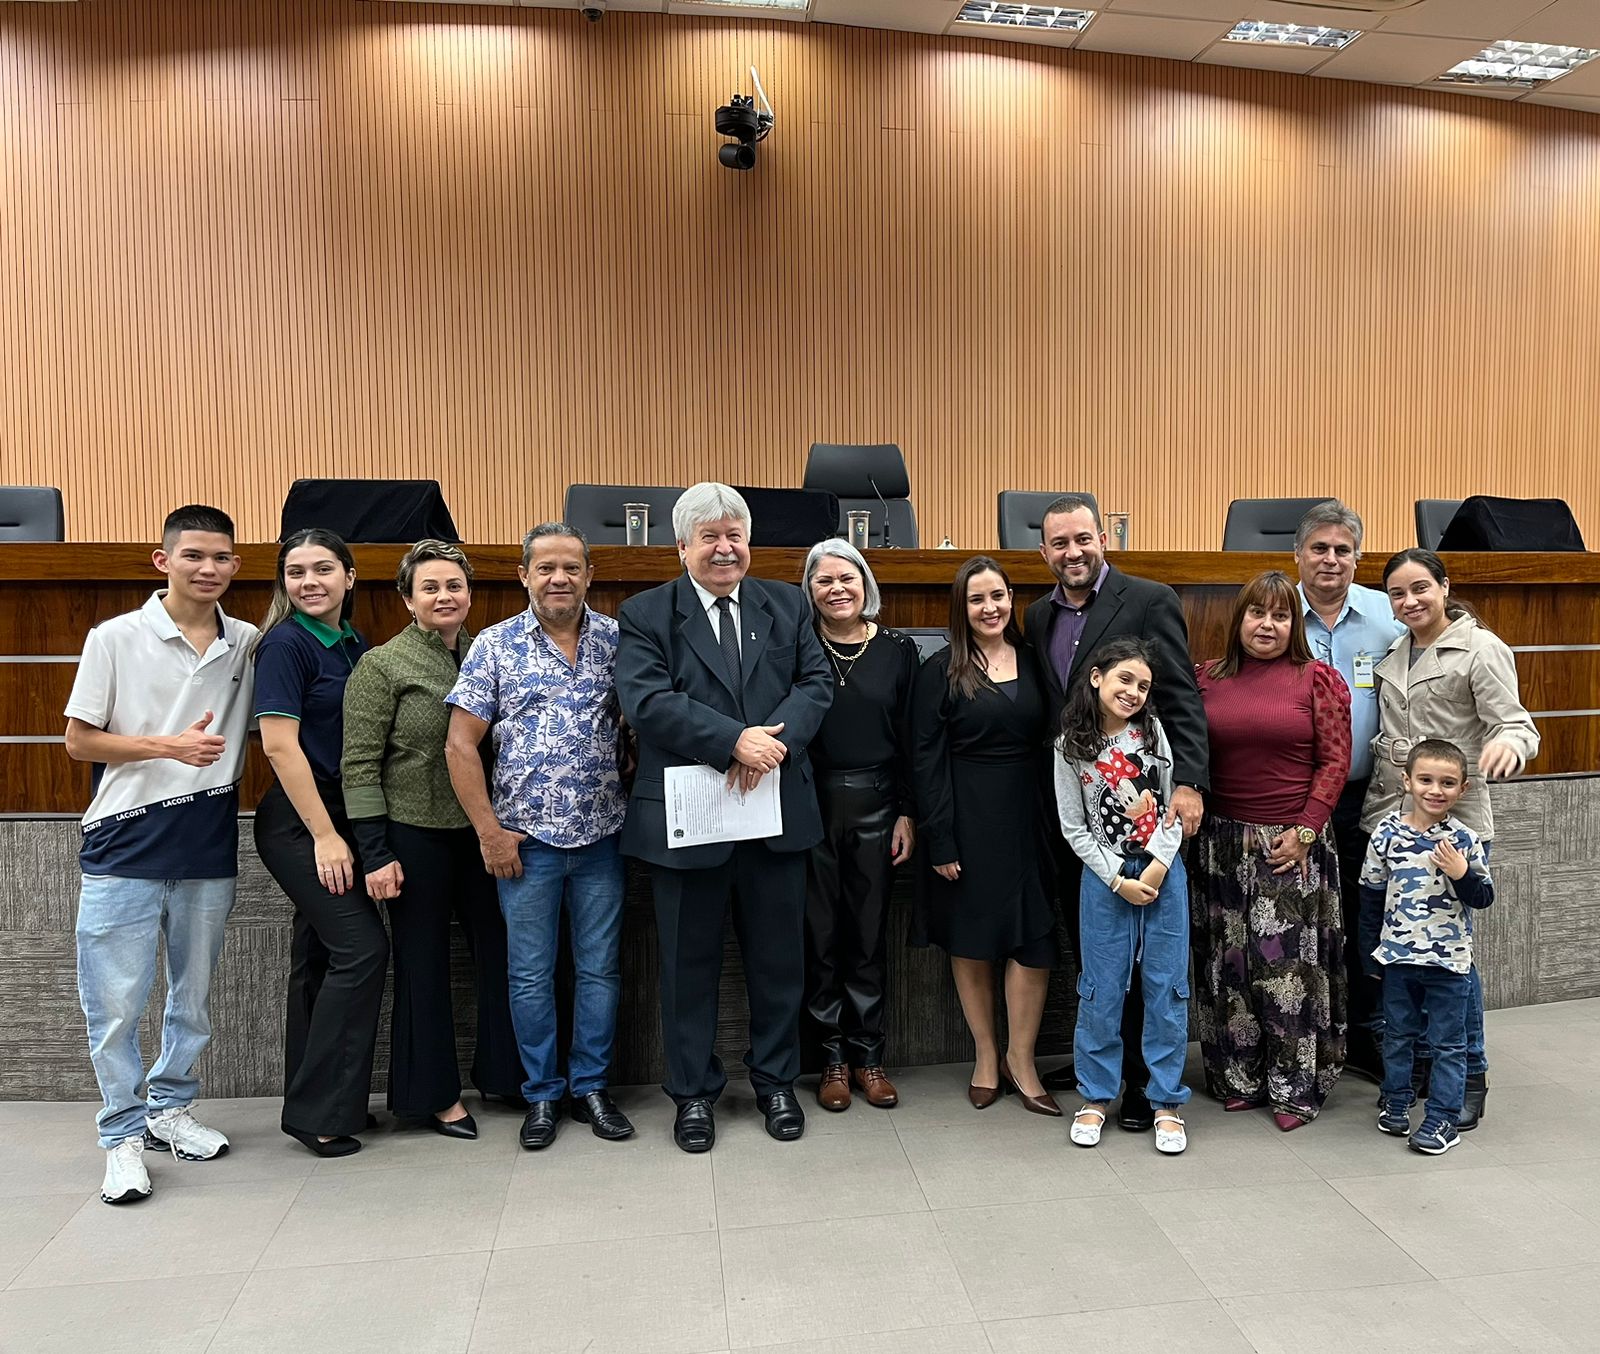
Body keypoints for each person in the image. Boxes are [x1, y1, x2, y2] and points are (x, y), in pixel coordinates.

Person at [615, 483, 833, 1153]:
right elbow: (646, 699)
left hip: (774, 815)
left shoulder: (788, 603)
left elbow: (815, 683)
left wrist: (772, 743)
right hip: (690, 824)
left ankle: (774, 1082)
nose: (724, 547)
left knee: (778, 962)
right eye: (709, 536)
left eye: (734, 534)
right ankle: (693, 1095)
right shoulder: (645, 613)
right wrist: (733, 740)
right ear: (681, 547)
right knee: (687, 965)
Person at [65, 505, 257, 1205]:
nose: (208, 569)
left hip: (206, 844)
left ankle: (167, 1111)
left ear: (236, 566)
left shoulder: (246, 643)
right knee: (114, 1006)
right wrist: (168, 746)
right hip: (123, 844)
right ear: (163, 560)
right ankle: (119, 1137)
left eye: (222, 558)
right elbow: (79, 741)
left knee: (193, 997)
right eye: (194, 556)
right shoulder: (113, 638)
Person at [446, 524, 634, 1151]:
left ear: (588, 576)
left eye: (572, 568)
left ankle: (591, 1088)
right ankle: (543, 1095)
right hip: (525, 845)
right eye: (546, 568)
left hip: (604, 838)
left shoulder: (618, 640)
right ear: (524, 576)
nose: (560, 579)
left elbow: (639, 726)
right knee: (529, 975)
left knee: (600, 971)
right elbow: (460, 744)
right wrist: (488, 833)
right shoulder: (495, 646)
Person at [1024, 494, 1208, 1132]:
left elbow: (1180, 697)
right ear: (1044, 551)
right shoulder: (1036, 615)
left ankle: (1147, 1088)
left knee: (1160, 972)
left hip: (1155, 828)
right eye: (1059, 544)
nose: (1073, 552)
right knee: (1099, 964)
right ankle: (1099, 1080)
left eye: (1083, 539)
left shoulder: (1150, 598)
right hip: (1081, 813)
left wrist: (1188, 784)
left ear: (1102, 538)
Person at [341, 539, 525, 1142]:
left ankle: (508, 1075)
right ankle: (435, 1097)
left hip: (483, 833)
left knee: (501, 954)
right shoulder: (382, 665)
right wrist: (375, 851)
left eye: (454, 586)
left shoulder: (488, 652)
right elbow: (360, 766)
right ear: (406, 598)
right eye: (430, 588)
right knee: (423, 965)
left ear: (470, 593)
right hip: (412, 836)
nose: (444, 597)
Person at [1362, 548, 1539, 1131]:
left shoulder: (1479, 648)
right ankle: (1419, 1073)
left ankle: (1470, 1077)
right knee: (1403, 956)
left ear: (1444, 586)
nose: (1409, 602)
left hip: (1453, 826)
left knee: (1449, 962)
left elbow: (1515, 723)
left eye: (1420, 589)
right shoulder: (1393, 651)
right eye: (1397, 594)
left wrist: (1511, 745)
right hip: (1392, 818)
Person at [1192, 569, 1351, 1130]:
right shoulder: (1204, 678)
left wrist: (1307, 829)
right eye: (1257, 613)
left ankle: (1294, 1085)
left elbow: (1335, 763)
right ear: (1240, 619)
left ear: (1295, 624)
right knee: (1229, 966)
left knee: (1288, 973)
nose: (1267, 624)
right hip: (1221, 845)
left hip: (1293, 842)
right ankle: (1239, 1077)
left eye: (1281, 615)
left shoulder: (1318, 680)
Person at [253, 528, 388, 1158]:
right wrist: (327, 836)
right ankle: (323, 1112)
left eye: (323, 569)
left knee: (319, 956)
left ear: (350, 576)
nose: (309, 582)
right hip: (301, 822)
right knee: (361, 949)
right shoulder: (284, 644)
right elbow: (280, 746)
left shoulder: (352, 643)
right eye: (296, 571)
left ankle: (317, 1107)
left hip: (341, 814)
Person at [912, 556, 1059, 1116]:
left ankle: (1023, 1060)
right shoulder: (941, 670)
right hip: (965, 821)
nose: (990, 607)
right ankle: (985, 1055)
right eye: (977, 599)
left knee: (1033, 938)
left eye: (997, 595)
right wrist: (940, 838)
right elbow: (924, 761)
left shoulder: (1032, 660)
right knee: (971, 940)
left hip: (1031, 819)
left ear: (1011, 599)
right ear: (961, 608)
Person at [1054, 637, 1191, 1155]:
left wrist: (1157, 864)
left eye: (1144, 686)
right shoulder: (1071, 745)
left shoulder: (1152, 732)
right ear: (1096, 678)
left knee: (1165, 988)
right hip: (1106, 878)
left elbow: (1173, 806)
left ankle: (1166, 1101)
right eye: (1124, 680)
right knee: (1101, 989)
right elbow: (1074, 826)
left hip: (1162, 872)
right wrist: (1116, 878)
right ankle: (1095, 1095)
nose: (1133, 693)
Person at [799, 538, 919, 1112]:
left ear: (865, 582)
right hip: (811, 805)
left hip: (879, 804)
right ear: (810, 590)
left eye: (847, 578)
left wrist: (906, 811)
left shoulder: (898, 650)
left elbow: (914, 741)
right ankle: (831, 1060)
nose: (837, 589)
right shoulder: (796, 647)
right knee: (819, 938)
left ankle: (870, 1057)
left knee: (867, 940)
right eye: (824, 581)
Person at [1293, 501, 1405, 1082]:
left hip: (1369, 797)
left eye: (1343, 550)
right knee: (1300, 924)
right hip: (1293, 802)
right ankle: (1302, 1040)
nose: (1331, 559)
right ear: (1298, 555)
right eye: (1320, 548)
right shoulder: (1275, 613)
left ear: (1358, 558)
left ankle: (1365, 1037)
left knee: (1367, 920)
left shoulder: (1392, 614)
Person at [1360, 739, 1494, 1156]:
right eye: (1426, 780)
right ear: (1407, 781)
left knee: (1448, 1044)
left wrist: (1462, 873)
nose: (1436, 790)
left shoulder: (1464, 839)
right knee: (1398, 1035)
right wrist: (1370, 954)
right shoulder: (1386, 833)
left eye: (1448, 783)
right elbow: (1370, 894)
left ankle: (1443, 1119)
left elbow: (1483, 897)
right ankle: (1397, 1099)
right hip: (1398, 958)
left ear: (1463, 789)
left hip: (1449, 963)